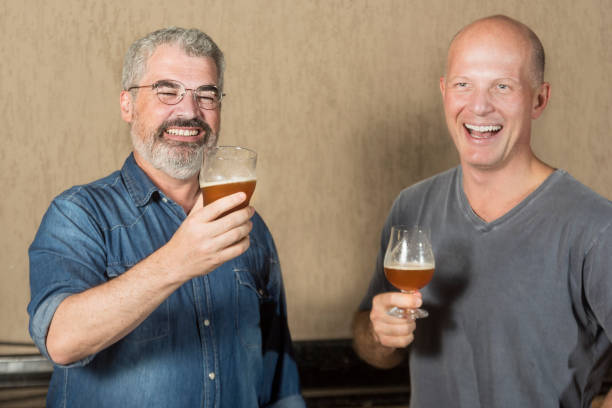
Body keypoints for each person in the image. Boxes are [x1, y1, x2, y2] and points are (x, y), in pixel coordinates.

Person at [28, 27, 305, 407]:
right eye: (167, 90)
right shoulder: (78, 214)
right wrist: (177, 261)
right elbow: (61, 340)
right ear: (127, 104)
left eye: (206, 94)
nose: (190, 111)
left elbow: (279, 385)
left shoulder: (249, 228)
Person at [352, 15, 612, 408]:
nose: (478, 106)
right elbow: (373, 347)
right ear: (444, 91)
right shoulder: (411, 207)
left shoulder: (595, 227)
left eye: (502, 86)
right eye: (463, 84)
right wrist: (378, 334)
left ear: (539, 99)